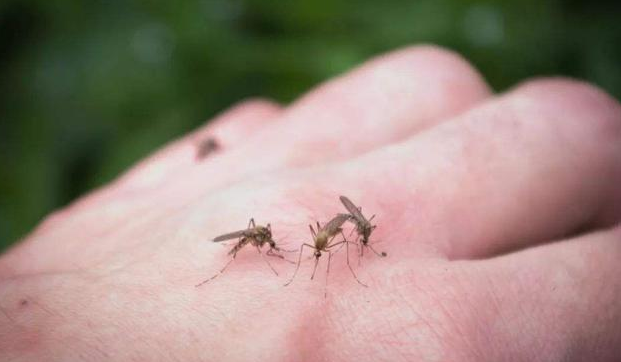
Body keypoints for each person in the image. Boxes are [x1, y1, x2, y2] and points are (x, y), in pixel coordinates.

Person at [0, 45, 619, 361]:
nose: (285, 244)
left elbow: (339, 226)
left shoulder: (332, 229)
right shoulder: (306, 243)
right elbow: (312, 238)